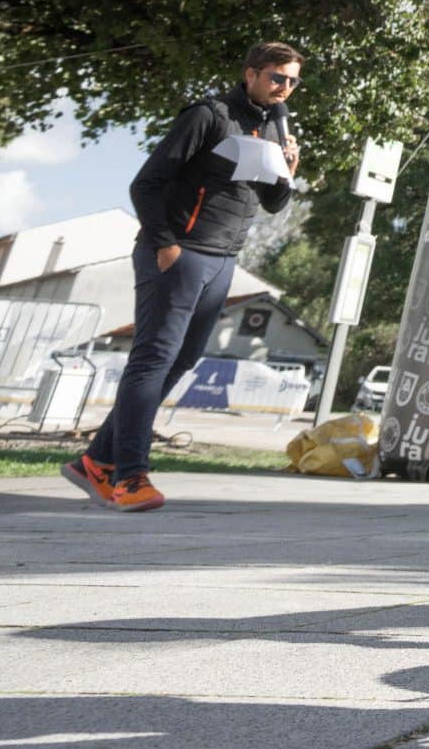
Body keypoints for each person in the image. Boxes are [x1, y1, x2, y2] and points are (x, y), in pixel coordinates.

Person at [65, 44, 303, 512]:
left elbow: (273, 204)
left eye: (293, 81)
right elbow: (145, 184)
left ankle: (95, 461)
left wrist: (287, 173)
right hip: (179, 252)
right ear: (250, 73)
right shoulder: (208, 116)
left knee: (183, 358)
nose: (285, 88)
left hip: (224, 259)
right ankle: (130, 476)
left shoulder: (274, 124)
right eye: (277, 78)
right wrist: (165, 244)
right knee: (153, 358)